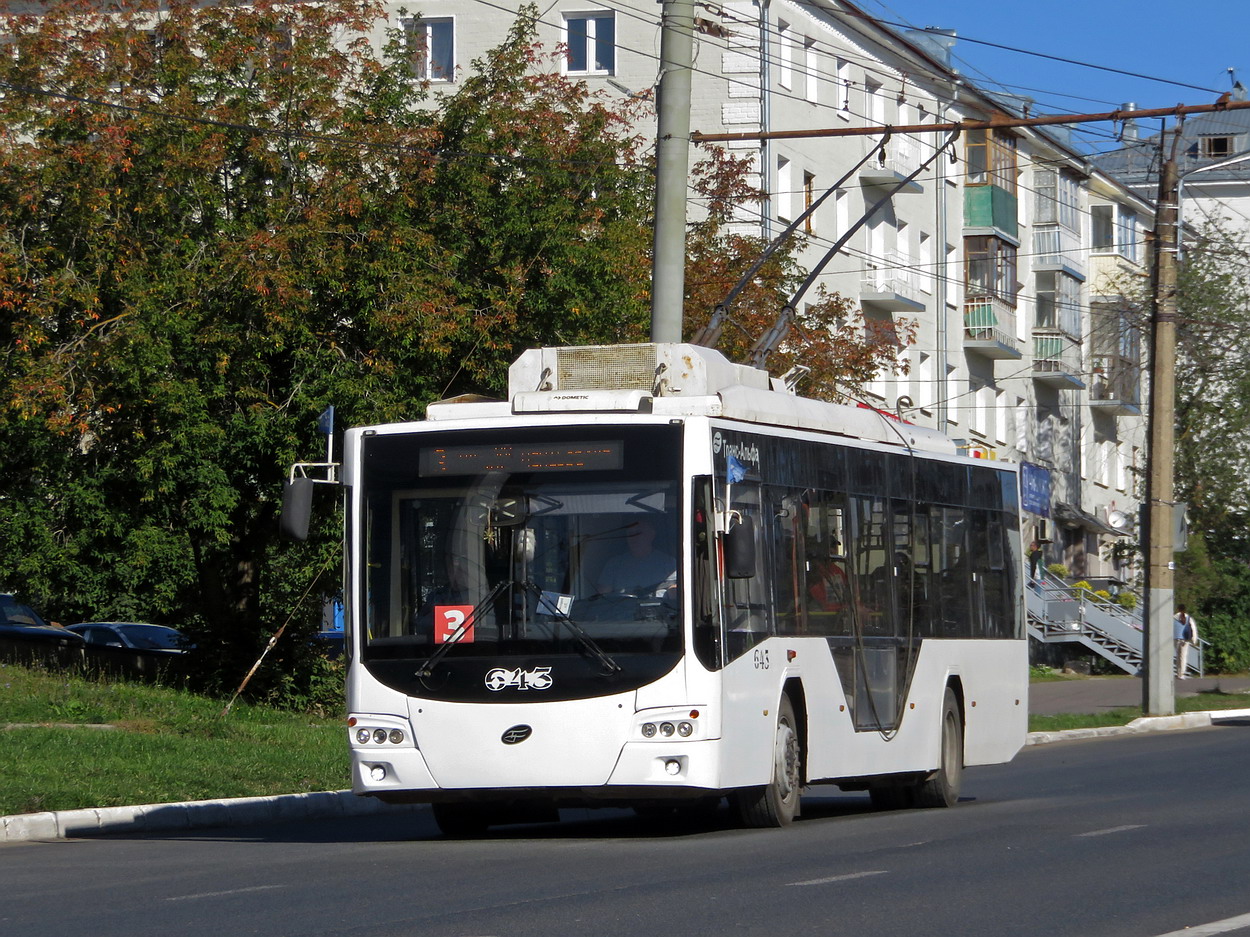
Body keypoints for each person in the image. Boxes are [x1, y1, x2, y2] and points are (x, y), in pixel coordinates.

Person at [596, 518, 676, 596]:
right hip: (623, 608)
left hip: (660, 608)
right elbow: (602, 597)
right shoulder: (614, 564)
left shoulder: (669, 563)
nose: (634, 537)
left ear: (651, 534)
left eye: (638, 533)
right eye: (630, 533)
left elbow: (677, 592)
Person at [1174, 605, 1198, 679]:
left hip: (1176, 639)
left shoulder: (1174, 617)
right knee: (1183, 657)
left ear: (1178, 609)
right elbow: (1193, 629)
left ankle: (1178, 673)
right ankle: (1182, 674)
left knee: (1178, 657)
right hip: (1185, 639)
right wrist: (1194, 640)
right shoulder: (1188, 618)